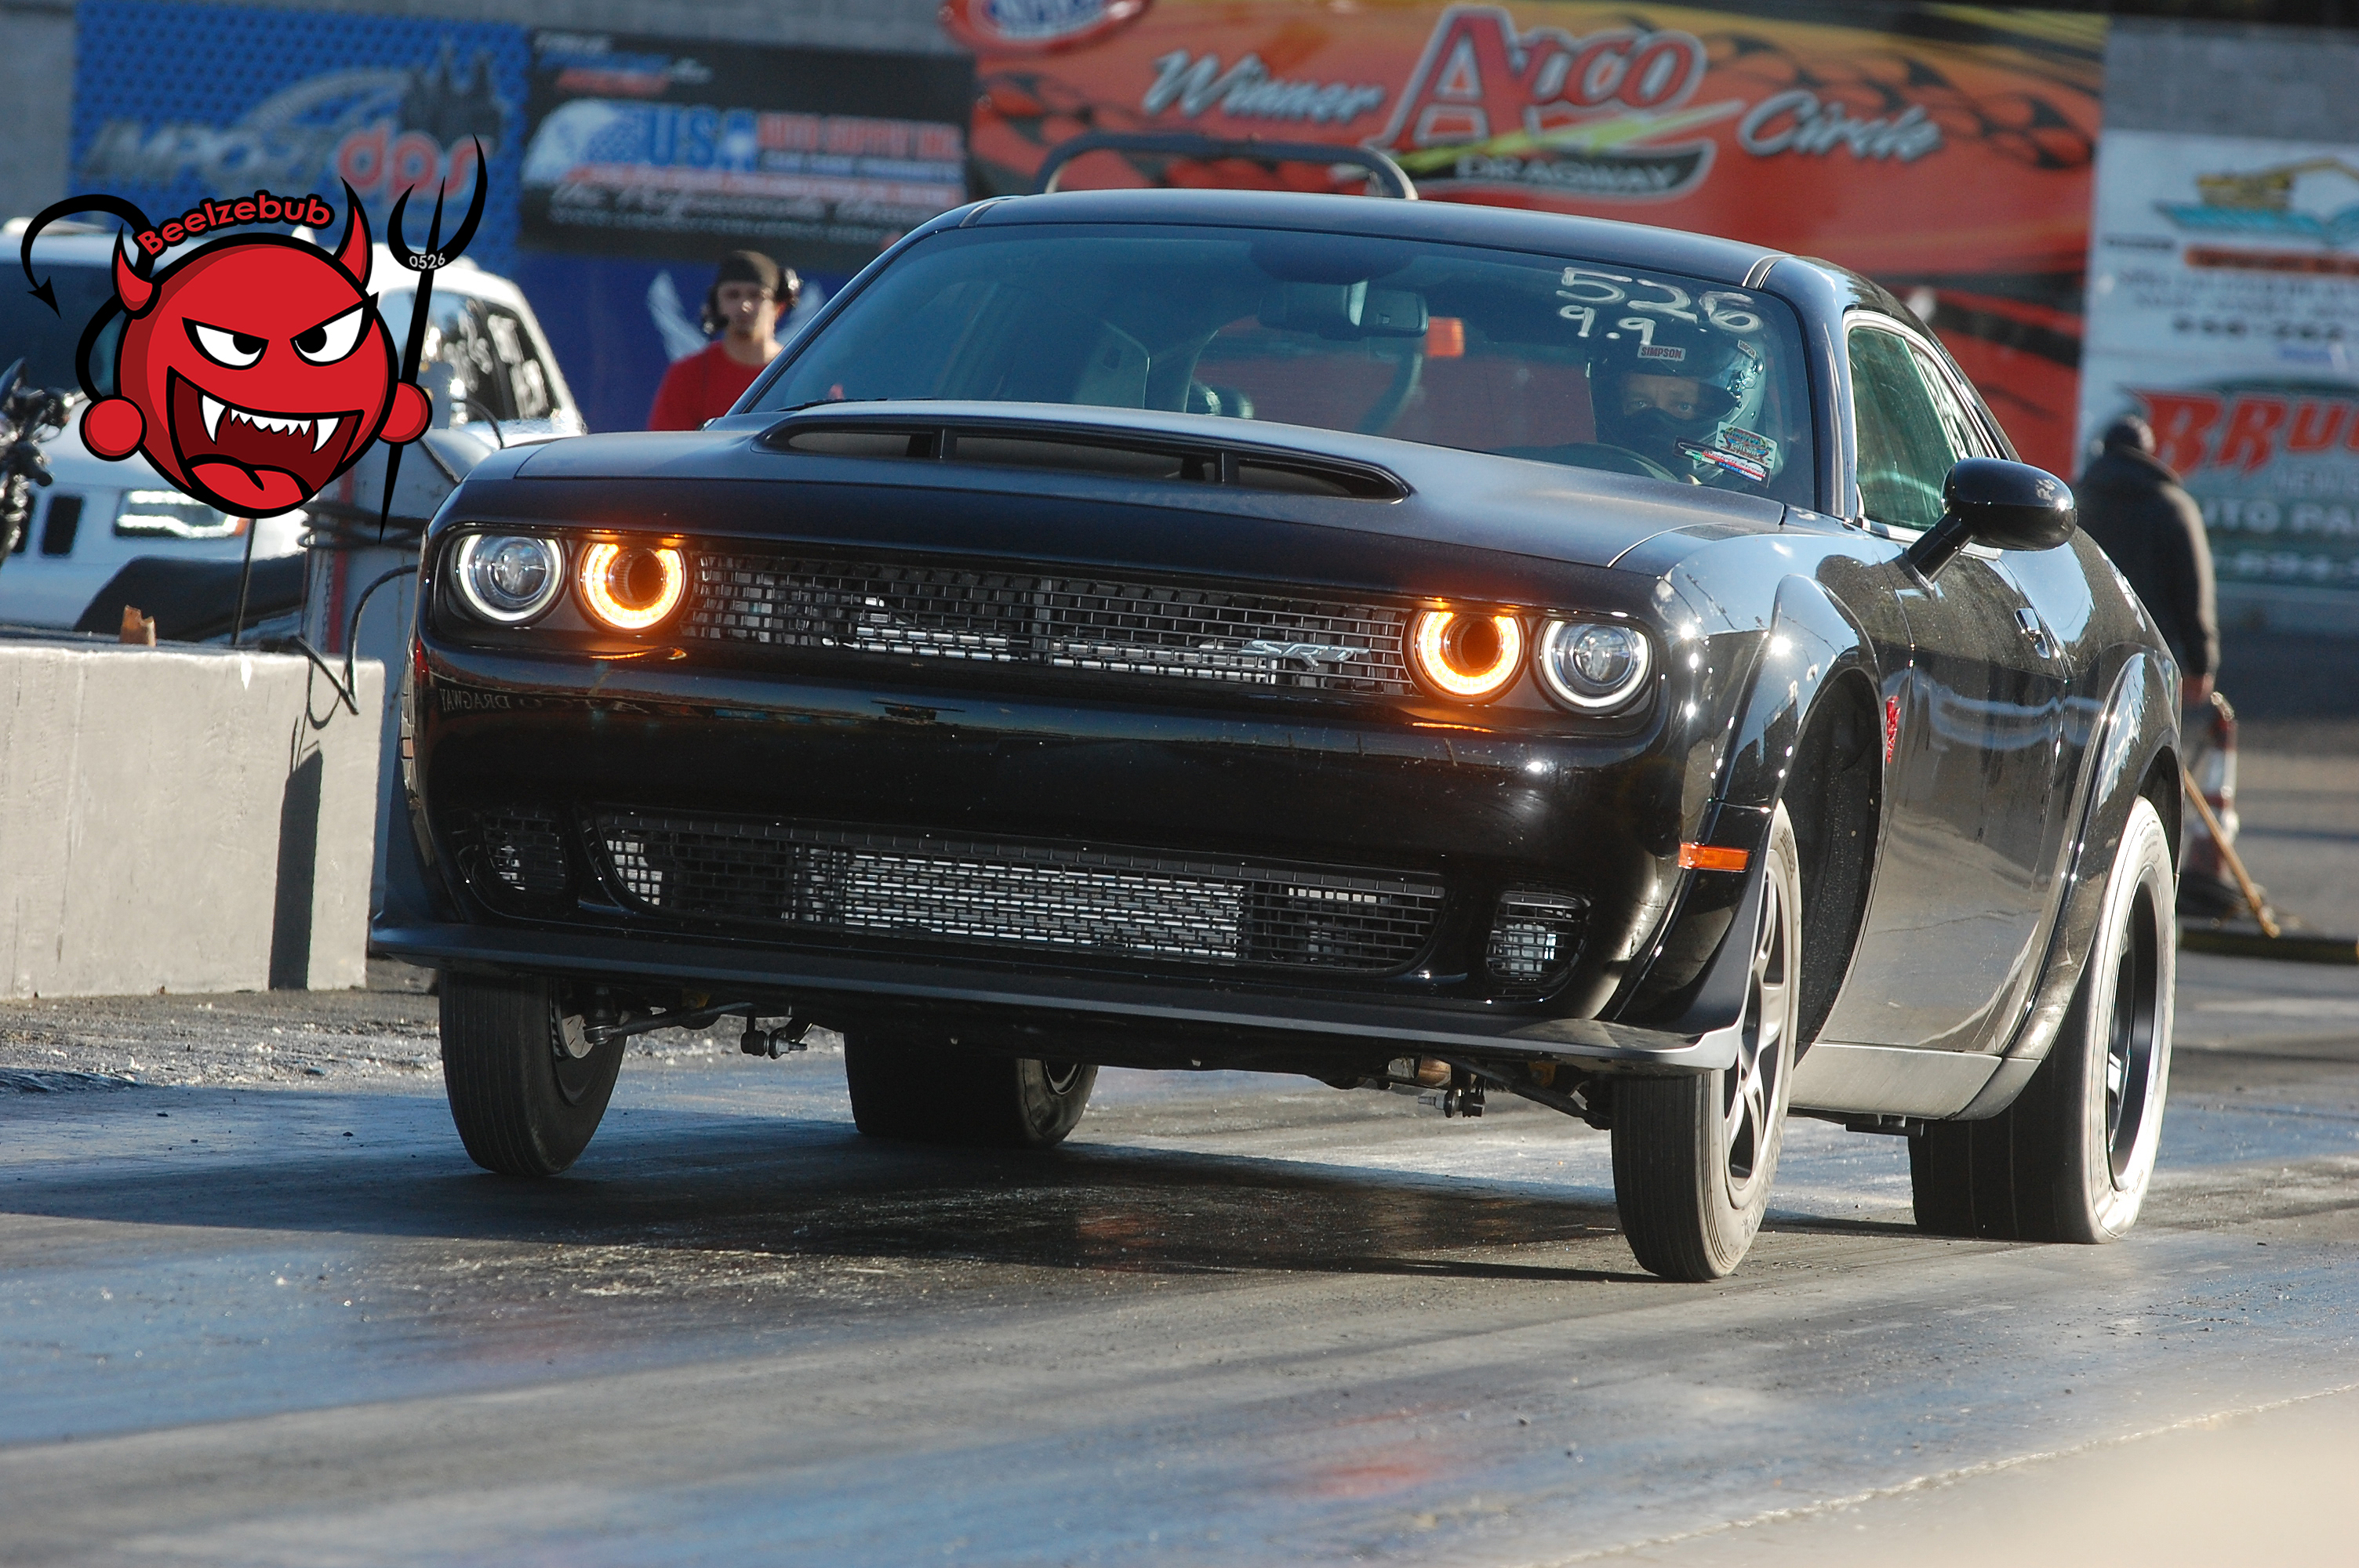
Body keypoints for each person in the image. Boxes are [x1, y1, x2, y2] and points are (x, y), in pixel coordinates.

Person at [2075, 414, 2217, 710]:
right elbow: (2193, 588)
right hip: (2152, 648)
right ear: (2148, 453)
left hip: (2082, 645)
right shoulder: (2174, 506)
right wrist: (2200, 662)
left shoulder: (2077, 499)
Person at [646, 250, 800, 430]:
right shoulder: (688, 375)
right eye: (733, 295)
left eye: (756, 295)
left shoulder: (799, 372)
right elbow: (667, 447)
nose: (744, 306)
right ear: (715, 306)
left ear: (779, 307)